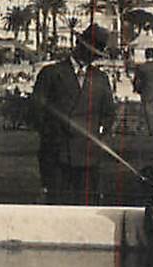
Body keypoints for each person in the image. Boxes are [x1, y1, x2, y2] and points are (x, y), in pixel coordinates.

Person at [30, 23, 117, 205]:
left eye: (95, 54)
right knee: (58, 208)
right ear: (78, 46)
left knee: (87, 210)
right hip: (57, 156)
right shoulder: (51, 74)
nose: (91, 57)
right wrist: (54, 134)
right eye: (88, 50)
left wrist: (97, 134)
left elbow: (108, 114)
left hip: (88, 157)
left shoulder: (101, 79)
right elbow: (35, 111)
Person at [132, 53, 153, 135]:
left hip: (145, 93)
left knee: (147, 113)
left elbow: (136, 81)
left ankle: (150, 132)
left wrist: (137, 89)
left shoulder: (141, 67)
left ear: (145, 55)